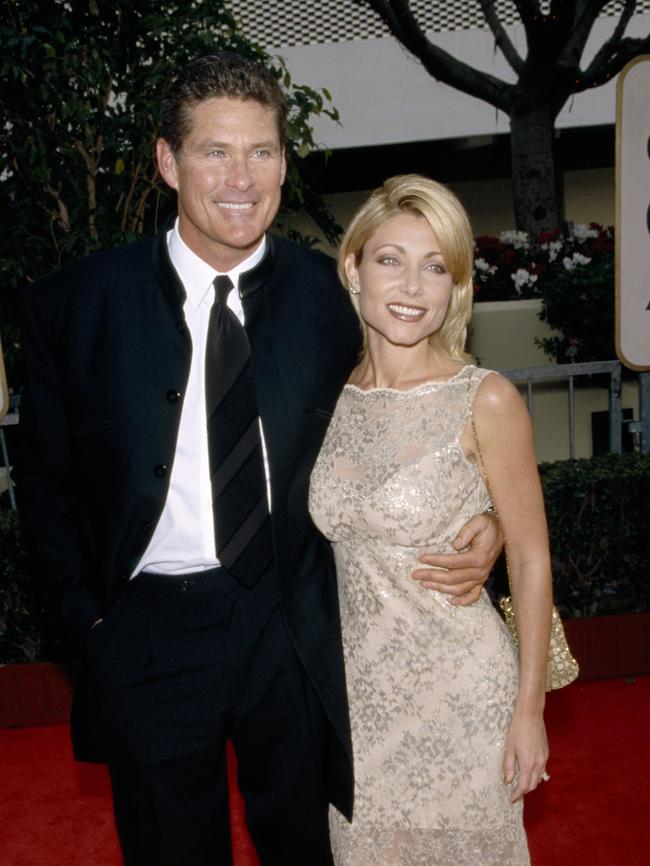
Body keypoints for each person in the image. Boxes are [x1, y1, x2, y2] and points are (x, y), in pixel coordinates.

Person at [18, 56, 501, 866]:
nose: (242, 178)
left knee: (310, 848)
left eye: (264, 152)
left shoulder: (330, 299)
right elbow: (44, 482)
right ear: (168, 162)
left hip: (298, 622)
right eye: (216, 152)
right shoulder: (76, 306)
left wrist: (477, 513)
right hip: (149, 632)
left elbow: (421, 403)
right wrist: (89, 622)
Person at [310, 174, 554, 866]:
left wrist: (528, 711)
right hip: (356, 706)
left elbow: (532, 560)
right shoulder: (326, 393)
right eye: (391, 260)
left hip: (465, 694)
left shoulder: (486, 398)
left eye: (435, 267)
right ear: (354, 267)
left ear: (456, 288)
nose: (413, 287)